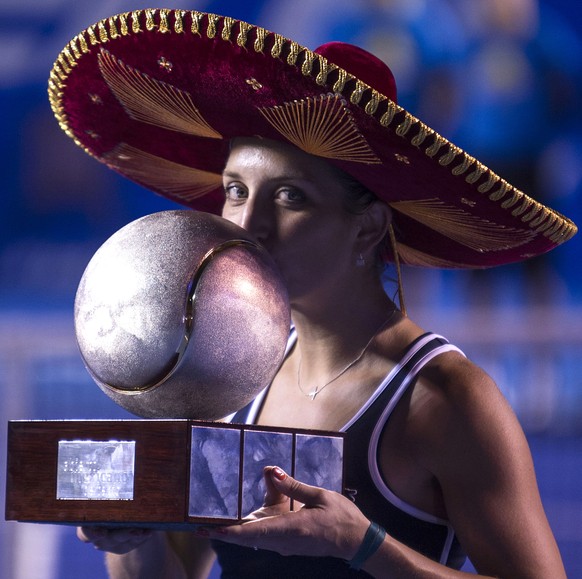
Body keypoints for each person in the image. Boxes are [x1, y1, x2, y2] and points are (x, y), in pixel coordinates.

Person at [49, 9, 576, 578]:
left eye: (290, 196)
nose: (248, 224)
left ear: (368, 226)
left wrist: (365, 546)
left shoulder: (444, 399)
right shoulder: (228, 377)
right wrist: (132, 531)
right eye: (235, 190)